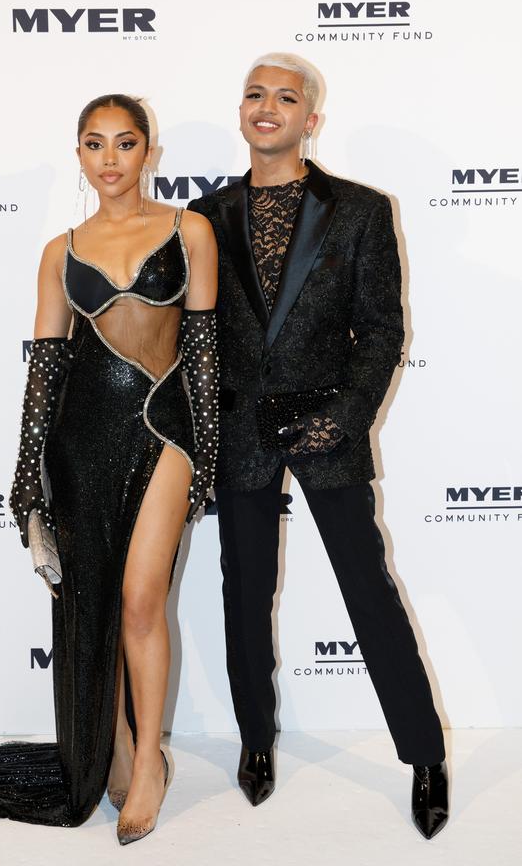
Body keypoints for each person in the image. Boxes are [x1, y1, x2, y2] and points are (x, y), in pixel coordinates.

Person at [188, 54, 449, 840]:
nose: (267, 107)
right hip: (239, 433)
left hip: (326, 425)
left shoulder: (362, 210)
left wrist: (344, 412)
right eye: (254, 94)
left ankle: (425, 756)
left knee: (368, 593)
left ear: (312, 120)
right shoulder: (202, 215)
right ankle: (256, 742)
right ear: (242, 113)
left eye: (286, 97)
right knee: (243, 595)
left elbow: (381, 331)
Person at [0, 94, 219, 844]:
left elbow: (202, 353)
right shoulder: (59, 252)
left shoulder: (188, 229)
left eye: (126, 143)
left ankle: (148, 772)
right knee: (95, 604)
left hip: (163, 431)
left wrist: (205, 456)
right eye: (95, 145)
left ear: (149, 153)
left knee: (141, 599)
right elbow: (44, 370)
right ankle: (121, 747)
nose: (110, 159)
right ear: (79, 156)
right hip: (79, 440)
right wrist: (26, 475)